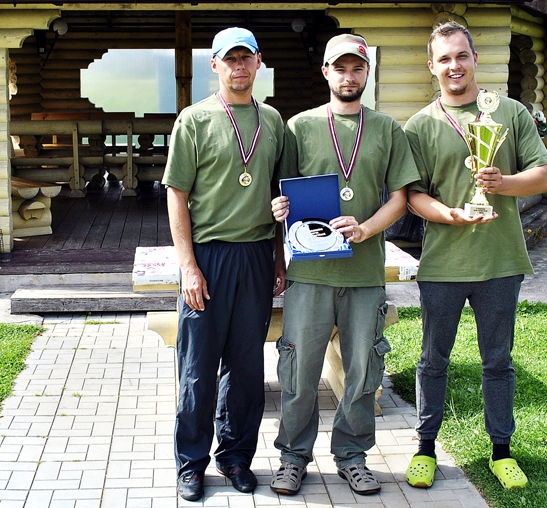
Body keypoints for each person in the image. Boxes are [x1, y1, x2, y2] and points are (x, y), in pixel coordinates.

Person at [268, 33, 420, 496]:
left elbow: (401, 197)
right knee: (298, 372)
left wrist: (369, 228)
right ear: (326, 73)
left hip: (363, 274)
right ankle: (293, 458)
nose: (349, 76)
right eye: (341, 68)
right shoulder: (300, 127)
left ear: (366, 73)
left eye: (357, 68)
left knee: (362, 372)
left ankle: (352, 456)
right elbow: (281, 192)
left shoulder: (388, 129)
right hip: (309, 275)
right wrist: (278, 214)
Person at [403, 21, 547, 490]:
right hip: (443, 265)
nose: (454, 66)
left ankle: (501, 450)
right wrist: (447, 214)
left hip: (500, 261)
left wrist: (502, 185)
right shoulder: (421, 125)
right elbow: (412, 195)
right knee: (432, 360)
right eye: (444, 59)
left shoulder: (508, 112)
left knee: (498, 362)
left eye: (461, 56)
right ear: (432, 66)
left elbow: (543, 175)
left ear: (474, 60)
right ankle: (426, 447)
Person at [162, 27, 286, 502]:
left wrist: (277, 258)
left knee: (246, 367)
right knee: (197, 368)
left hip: (255, 255)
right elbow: (177, 194)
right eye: (229, 59)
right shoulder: (193, 120)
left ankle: (235, 457)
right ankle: (190, 463)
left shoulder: (273, 121)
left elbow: (281, 195)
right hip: (208, 256)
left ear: (259, 63)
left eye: (246, 58)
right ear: (213, 65)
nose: (238, 67)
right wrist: (188, 267)